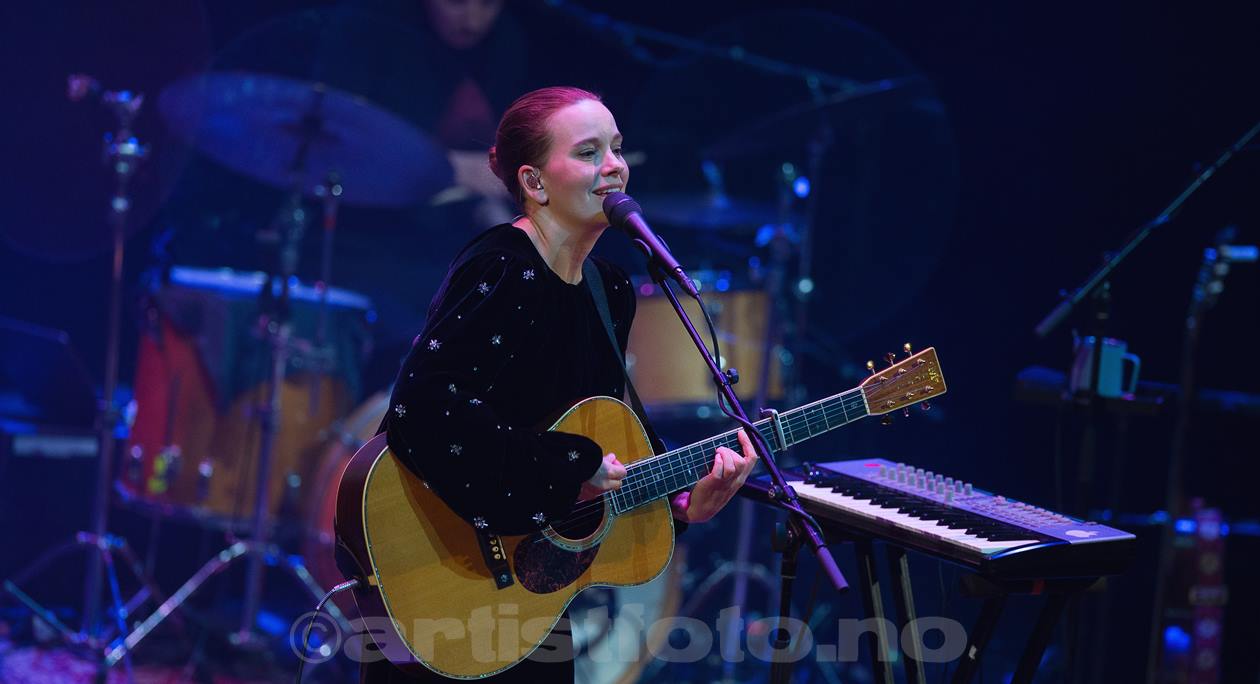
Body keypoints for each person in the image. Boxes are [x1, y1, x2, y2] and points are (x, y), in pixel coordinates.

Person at [362, 86, 759, 682]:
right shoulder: (502, 265)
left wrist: (680, 504)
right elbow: (424, 410)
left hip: (537, 599)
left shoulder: (608, 290)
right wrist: (571, 462)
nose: (614, 166)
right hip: (450, 577)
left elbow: (604, 457)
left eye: (618, 149)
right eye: (589, 152)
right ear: (535, 182)